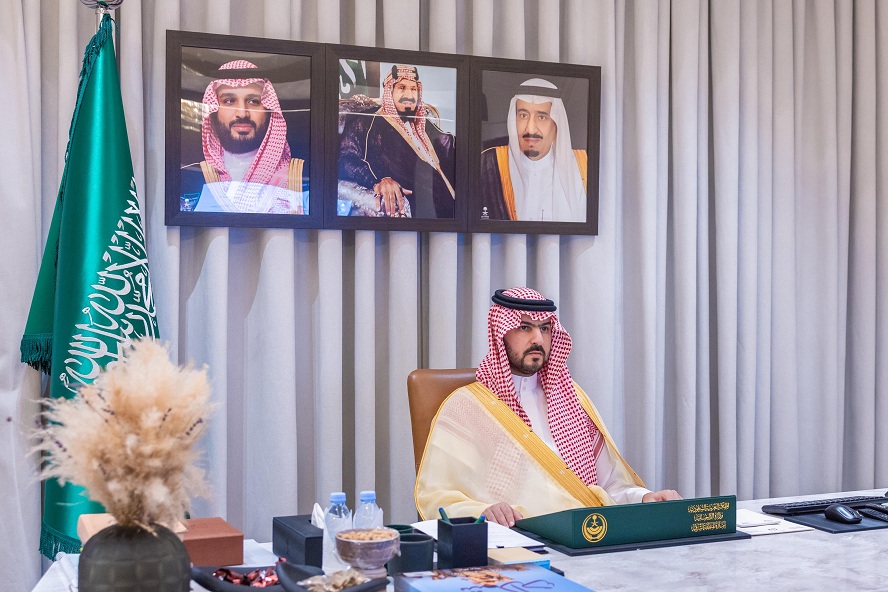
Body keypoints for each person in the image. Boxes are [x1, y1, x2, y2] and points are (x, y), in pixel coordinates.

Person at [414, 287, 681, 526]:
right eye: (524, 328)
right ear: (500, 333)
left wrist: (644, 498)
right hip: (517, 543)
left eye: (544, 329)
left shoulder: (572, 398)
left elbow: (608, 487)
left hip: (586, 536)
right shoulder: (467, 406)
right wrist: (482, 511)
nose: (538, 340)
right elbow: (437, 495)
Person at [181, 60, 307, 214]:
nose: (242, 113)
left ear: (268, 110)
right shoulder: (191, 176)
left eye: (253, 101)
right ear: (214, 111)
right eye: (229, 101)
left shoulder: (299, 178)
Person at [337, 64, 455, 218]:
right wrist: (379, 181)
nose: (409, 95)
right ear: (390, 91)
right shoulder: (368, 122)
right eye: (402, 88)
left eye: (413, 89)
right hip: (421, 212)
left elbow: (447, 145)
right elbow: (346, 159)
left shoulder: (422, 123)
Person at [479, 79, 587, 222]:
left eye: (541, 117)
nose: (530, 128)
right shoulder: (489, 163)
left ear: (556, 124)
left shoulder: (582, 167)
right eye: (523, 116)